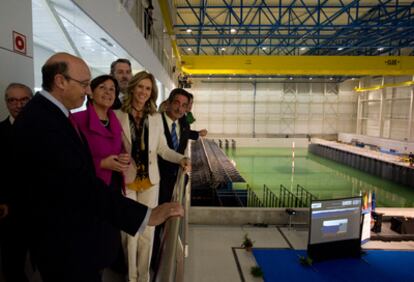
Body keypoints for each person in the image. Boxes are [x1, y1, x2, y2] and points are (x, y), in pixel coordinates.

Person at [7, 52, 183, 282]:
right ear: (60, 81)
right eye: (84, 84)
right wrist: (147, 216)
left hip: (72, 227)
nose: (88, 91)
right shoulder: (45, 122)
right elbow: (80, 182)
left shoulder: (51, 116)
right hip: (63, 238)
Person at [115, 71, 190, 282]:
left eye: (148, 89)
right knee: (129, 233)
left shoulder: (155, 117)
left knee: (148, 233)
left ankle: (143, 277)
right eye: (140, 87)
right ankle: (131, 277)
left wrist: (181, 159)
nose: (143, 92)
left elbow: (163, 150)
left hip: (150, 182)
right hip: (127, 181)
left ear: (152, 93)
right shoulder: (118, 115)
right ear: (133, 88)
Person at [71, 75, 130, 274]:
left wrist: (124, 159)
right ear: (91, 92)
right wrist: (102, 163)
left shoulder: (114, 120)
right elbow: (69, 160)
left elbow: (121, 149)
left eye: (112, 89)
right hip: (88, 190)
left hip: (112, 187)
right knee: (90, 244)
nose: (108, 92)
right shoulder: (77, 120)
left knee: (109, 240)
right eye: (102, 88)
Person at [0, 82, 32, 282]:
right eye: (12, 100)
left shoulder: (45, 130)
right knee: (12, 257)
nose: (18, 104)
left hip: (41, 204)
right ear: (6, 102)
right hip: (10, 206)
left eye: (23, 99)